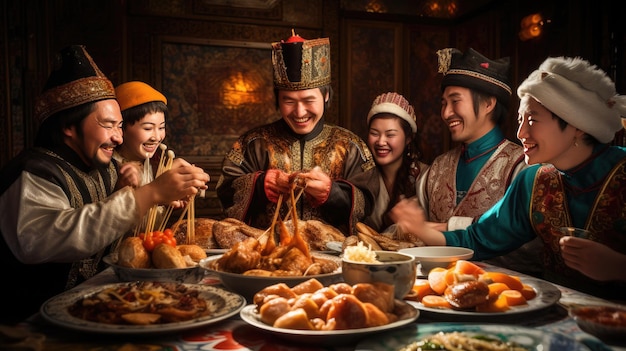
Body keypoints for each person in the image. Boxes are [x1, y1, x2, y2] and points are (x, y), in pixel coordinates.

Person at [0, 45, 210, 323]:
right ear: (69, 126)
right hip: (29, 324)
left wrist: (163, 198)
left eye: (120, 126)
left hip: (92, 313)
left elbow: (119, 232)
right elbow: (37, 241)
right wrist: (151, 193)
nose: (118, 138)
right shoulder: (36, 171)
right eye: (108, 125)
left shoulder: (107, 168)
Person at [390, 56, 626, 301]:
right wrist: (420, 229)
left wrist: (618, 267)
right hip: (558, 315)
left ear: (577, 124)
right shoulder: (535, 180)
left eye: (532, 120)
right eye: (520, 120)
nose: (521, 133)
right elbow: (479, 238)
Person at [216, 31, 378, 235]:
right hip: (267, 256)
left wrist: (333, 193)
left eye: (309, 101)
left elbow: (369, 205)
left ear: (326, 95)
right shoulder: (253, 143)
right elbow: (225, 194)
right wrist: (258, 186)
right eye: (289, 101)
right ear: (277, 99)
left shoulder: (350, 145)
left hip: (332, 257)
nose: (300, 112)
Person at [417, 47, 539, 275]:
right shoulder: (435, 169)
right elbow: (417, 235)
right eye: (443, 103)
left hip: (506, 296)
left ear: (488, 104)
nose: (446, 113)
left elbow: (533, 249)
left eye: (455, 101)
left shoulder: (523, 167)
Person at [363, 92, 428, 233]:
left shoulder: (426, 177)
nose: (381, 142)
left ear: (408, 138)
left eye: (390, 135)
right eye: (374, 133)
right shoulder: (362, 175)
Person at [113, 81, 168, 188]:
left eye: (161, 127)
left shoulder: (157, 163)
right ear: (121, 128)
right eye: (148, 128)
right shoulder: (107, 170)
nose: (156, 137)